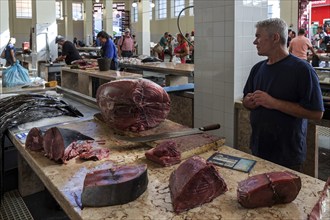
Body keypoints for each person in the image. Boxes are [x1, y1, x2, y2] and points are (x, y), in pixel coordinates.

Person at [243, 18, 324, 172]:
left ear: (275, 38)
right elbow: (246, 101)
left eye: (258, 36)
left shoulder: (302, 70)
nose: (255, 42)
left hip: (286, 156)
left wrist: (274, 103)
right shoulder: (257, 69)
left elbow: (316, 113)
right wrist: (249, 102)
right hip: (258, 150)